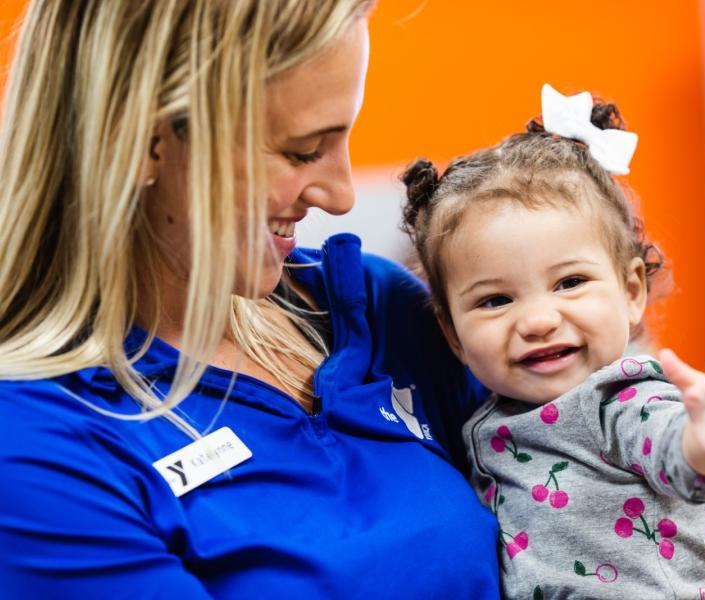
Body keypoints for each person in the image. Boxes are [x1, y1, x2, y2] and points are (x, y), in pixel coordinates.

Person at [0, 2, 500, 598]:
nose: (341, 196)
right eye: (302, 150)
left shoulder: (373, 307)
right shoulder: (40, 450)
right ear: (143, 139)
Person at [400, 83, 705, 599]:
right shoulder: (485, 419)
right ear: (452, 334)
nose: (539, 320)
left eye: (569, 283)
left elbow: (683, 459)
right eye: (496, 300)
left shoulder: (623, 400)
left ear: (631, 290)